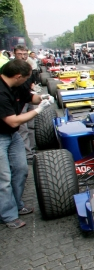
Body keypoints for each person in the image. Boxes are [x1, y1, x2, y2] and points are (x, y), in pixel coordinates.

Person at [0, 59, 54, 228]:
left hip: (12, 134)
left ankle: (16, 204)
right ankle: (9, 216)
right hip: (3, 132)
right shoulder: (1, 93)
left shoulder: (17, 85)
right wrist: (39, 111)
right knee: (4, 178)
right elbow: (13, 121)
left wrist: (43, 98)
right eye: (26, 78)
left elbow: (30, 97)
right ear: (17, 76)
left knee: (21, 169)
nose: (28, 81)